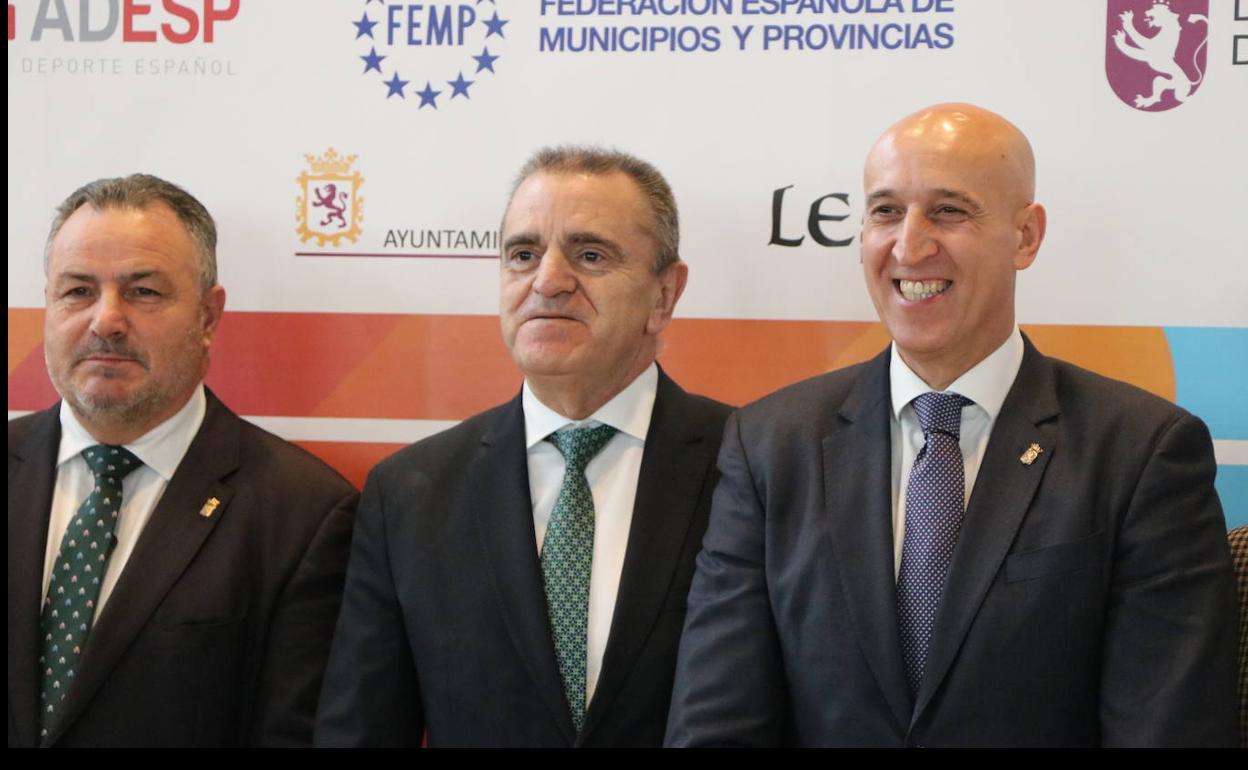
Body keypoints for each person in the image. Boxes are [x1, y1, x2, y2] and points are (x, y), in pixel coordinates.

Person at [665, 103, 1238, 747]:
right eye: (885, 211)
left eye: (949, 211)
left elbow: (1169, 730)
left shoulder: (1142, 452)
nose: (909, 245)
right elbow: (717, 722)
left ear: (1026, 236)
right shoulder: (769, 444)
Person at [316, 147, 732, 747]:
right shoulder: (410, 491)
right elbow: (362, 728)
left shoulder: (752, 465)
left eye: (590, 255)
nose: (548, 281)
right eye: (523, 255)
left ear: (664, 294)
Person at [8, 174, 358, 747]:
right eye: (77, 290)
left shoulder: (304, 515)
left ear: (208, 316)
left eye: (143, 291)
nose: (106, 320)